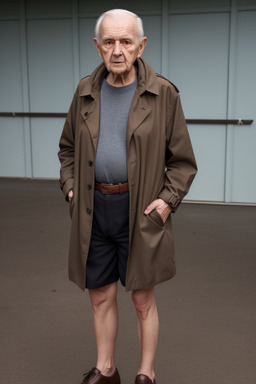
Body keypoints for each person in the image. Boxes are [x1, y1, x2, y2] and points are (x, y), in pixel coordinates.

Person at [58, 8, 197, 384]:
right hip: (93, 208)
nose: (117, 50)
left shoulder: (163, 93)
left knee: (141, 299)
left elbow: (183, 163)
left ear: (141, 46)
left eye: (125, 41)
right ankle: (106, 369)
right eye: (109, 41)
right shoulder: (85, 90)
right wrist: (70, 187)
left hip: (141, 212)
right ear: (97, 46)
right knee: (100, 296)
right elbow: (67, 149)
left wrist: (167, 202)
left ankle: (145, 373)